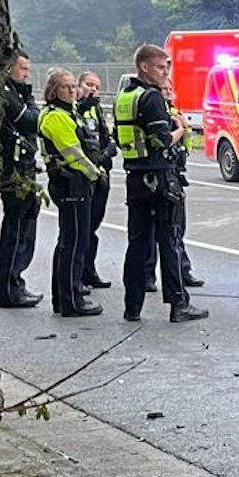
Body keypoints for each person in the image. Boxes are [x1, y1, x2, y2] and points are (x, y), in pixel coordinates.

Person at [115, 44, 207, 322]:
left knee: (137, 244)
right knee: (169, 240)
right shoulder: (152, 98)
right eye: (160, 66)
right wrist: (180, 128)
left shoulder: (125, 96)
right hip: (160, 178)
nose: (164, 71)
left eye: (166, 67)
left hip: (135, 178)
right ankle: (179, 304)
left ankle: (132, 307)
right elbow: (163, 139)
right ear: (144, 66)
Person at [37, 68, 105, 317]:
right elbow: (74, 153)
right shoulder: (55, 116)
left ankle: (65, 296)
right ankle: (71, 299)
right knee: (75, 242)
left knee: (69, 240)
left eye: (72, 86)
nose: (72, 90)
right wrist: (95, 174)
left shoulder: (67, 112)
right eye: (66, 87)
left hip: (71, 182)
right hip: (71, 182)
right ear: (54, 90)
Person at [0, 49, 42, 308]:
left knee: (25, 228)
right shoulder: (6, 95)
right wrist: (27, 99)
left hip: (25, 168)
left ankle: (16, 282)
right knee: (16, 231)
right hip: (14, 171)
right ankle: (9, 287)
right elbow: (31, 120)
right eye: (23, 69)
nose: (26, 74)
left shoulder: (19, 94)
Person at [161, 82, 204, 292]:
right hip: (165, 176)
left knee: (177, 228)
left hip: (176, 173)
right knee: (170, 231)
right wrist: (180, 128)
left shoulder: (176, 113)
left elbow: (186, 143)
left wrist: (184, 128)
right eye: (164, 90)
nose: (169, 93)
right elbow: (168, 140)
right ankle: (178, 273)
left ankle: (183, 270)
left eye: (170, 90)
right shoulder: (163, 114)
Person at [76, 71, 115, 290]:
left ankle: (89, 271)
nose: (93, 89)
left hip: (102, 173)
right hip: (85, 174)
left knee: (93, 227)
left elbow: (107, 139)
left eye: (97, 86)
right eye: (89, 84)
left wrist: (106, 152)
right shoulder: (76, 109)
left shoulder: (97, 110)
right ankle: (78, 274)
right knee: (82, 228)